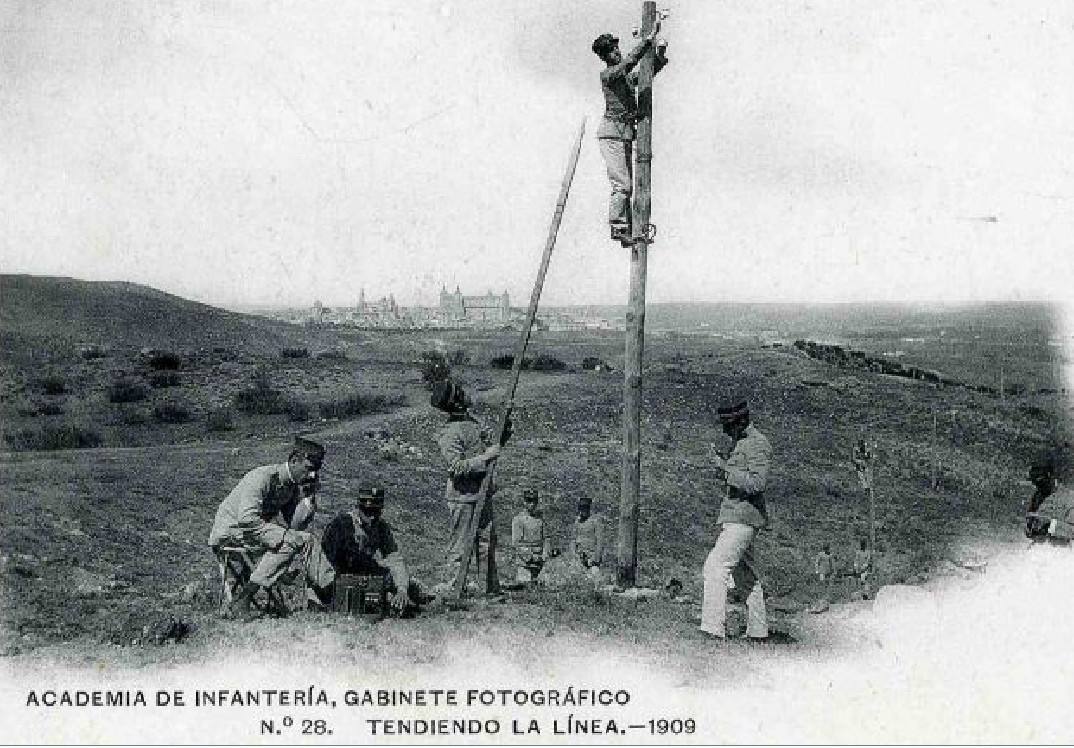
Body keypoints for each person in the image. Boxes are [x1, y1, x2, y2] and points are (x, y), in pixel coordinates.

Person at [207, 437, 336, 619]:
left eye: (315, 471)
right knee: (291, 541)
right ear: (294, 461)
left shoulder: (291, 486)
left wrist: (309, 499)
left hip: (253, 534)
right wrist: (282, 535)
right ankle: (244, 598)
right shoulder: (262, 477)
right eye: (309, 469)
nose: (312, 475)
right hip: (231, 532)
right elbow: (247, 519)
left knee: (306, 539)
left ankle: (328, 591)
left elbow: (295, 525)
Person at [430, 379, 512, 594]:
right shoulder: (449, 433)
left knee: (486, 543)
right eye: (461, 393)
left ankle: (489, 589)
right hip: (462, 497)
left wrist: (504, 431)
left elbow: (493, 444)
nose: (466, 395)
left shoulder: (474, 422)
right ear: (456, 401)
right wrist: (486, 457)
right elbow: (456, 467)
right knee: (460, 546)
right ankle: (456, 588)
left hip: (483, 494)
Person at [700, 399, 772, 641]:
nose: (724, 431)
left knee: (715, 567)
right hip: (738, 516)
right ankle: (758, 631)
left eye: (728, 425)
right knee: (746, 576)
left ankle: (712, 628)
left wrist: (725, 469)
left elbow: (757, 483)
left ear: (740, 421)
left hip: (744, 518)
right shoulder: (741, 442)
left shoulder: (758, 444)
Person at [591, 27, 669, 246]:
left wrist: (658, 58)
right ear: (604, 57)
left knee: (628, 186)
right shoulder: (609, 74)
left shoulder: (621, 75)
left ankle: (630, 230)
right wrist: (647, 41)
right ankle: (618, 228)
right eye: (611, 52)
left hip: (623, 135)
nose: (616, 53)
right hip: (611, 135)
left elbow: (642, 76)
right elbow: (628, 64)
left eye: (616, 49)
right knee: (622, 185)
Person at [320, 487, 420, 614]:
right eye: (367, 511)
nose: (372, 517)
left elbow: (394, 559)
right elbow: (324, 560)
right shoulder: (341, 524)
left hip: (364, 573)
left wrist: (402, 589)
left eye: (376, 511)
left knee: (409, 585)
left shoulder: (381, 527)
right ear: (359, 507)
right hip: (336, 577)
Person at [1025, 459, 1074, 547]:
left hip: (1060, 551)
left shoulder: (1069, 498)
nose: (1036, 485)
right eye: (1034, 482)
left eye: (1040, 481)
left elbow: (1072, 531)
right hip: (1038, 550)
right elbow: (1029, 527)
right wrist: (1030, 529)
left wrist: (1051, 526)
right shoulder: (1037, 496)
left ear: (1050, 476)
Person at [511, 489, 552, 585]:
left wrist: (545, 554)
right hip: (525, 563)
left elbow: (546, 538)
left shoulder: (540, 520)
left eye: (534, 501)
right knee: (525, 587)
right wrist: (530, 557)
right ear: (524, 502)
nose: (532, 504)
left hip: (540, 562)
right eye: (529, 501)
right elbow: (517, 543)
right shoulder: (518, 520)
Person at [571, 497, 606, 582]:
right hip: (580, 557)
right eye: (581, 508)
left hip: (591, 557)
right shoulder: (577, 522)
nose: (583, 511)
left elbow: (600, 541)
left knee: (594, 578)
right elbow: (573, 539)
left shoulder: (595, 521)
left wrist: (595, 559)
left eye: (585, 508)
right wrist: (574, 554)